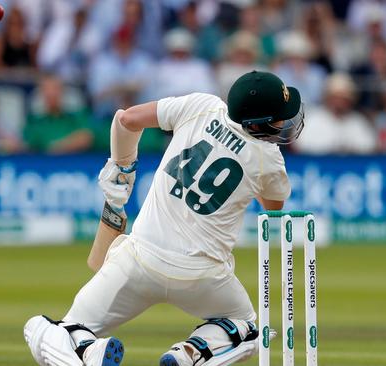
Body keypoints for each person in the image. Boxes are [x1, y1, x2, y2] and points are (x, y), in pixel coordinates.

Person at [23, 70, 304, 366]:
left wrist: (122, 168)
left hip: (138, 261)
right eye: (278, 117)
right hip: (203, 276)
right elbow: (273, 207)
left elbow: (126, 119)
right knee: (248, 327)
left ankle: (87, 350)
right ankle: (189, 354)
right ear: (256, 123)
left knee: (54, 330)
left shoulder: (202, 105)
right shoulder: (269, 160)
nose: (283, 123)